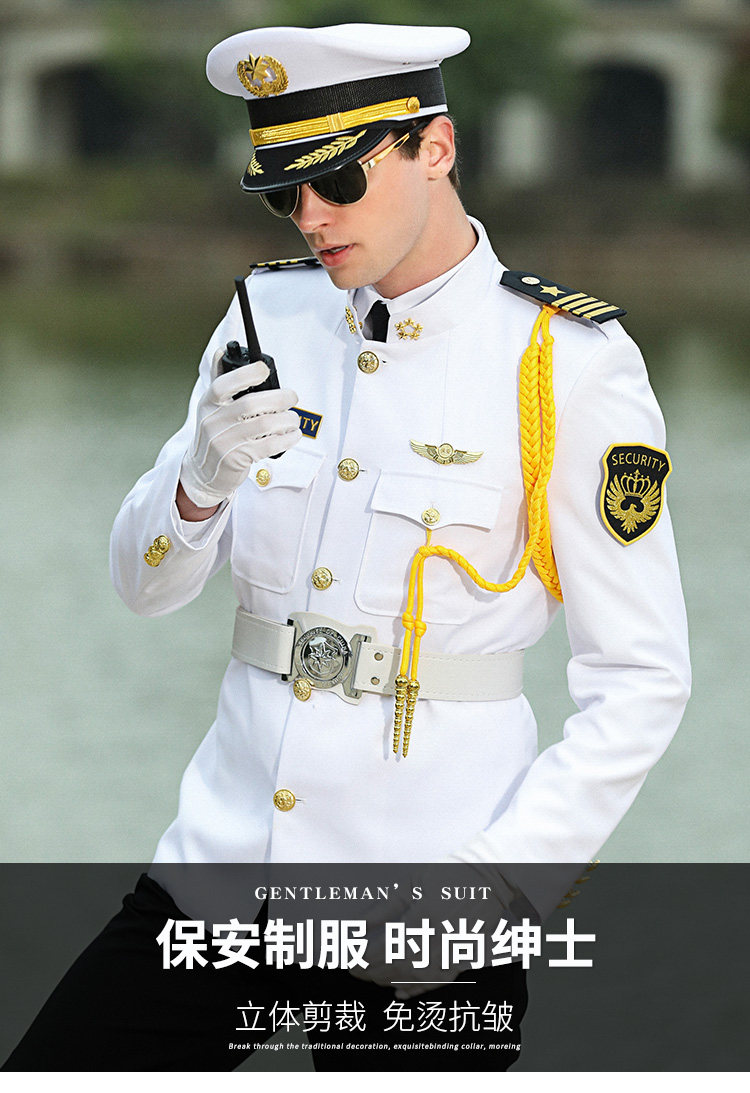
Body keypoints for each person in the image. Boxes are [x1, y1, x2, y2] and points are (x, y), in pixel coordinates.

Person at [4, 22, 690, 1072]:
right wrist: (198, 483)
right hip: (220, 879)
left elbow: (641, 679)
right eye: (286, 193)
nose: (312, 216)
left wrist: (501, 885)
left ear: (436, 148)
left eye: (337, 180)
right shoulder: (267, 314)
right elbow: (142, 589)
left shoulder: (564, 360)